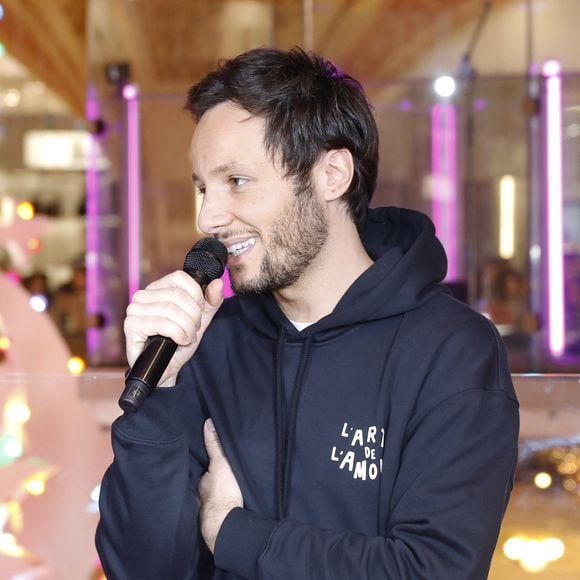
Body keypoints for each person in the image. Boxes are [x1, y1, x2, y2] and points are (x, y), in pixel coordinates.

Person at [96, 47, 519, 579]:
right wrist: (159, 397)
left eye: (237, 181)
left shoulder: (451, 351)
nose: (209, 215)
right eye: (203, 186)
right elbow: (142, 570)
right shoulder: (209, 343)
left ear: (332, 175)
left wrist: (235, 533)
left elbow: (432, 570)